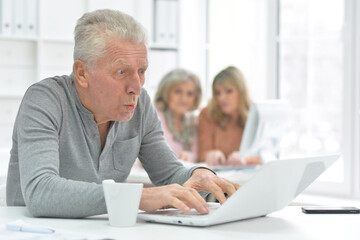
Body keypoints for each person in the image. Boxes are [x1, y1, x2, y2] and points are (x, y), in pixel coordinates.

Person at [6, 9, 239, 218]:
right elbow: (40, 192)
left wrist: (199, 174)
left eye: (141, 71)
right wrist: (137, 197)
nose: (136, 87)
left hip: (102, 231)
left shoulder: (140, 104)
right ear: (82, 73)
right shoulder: (44, 100)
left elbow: (169, 173)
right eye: (121, 72)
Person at [198, 66, 262, 166]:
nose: (221, 98)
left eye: (229, 91)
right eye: (218, 93)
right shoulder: (207, 114)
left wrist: (245, 160)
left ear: (241, 91)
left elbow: (266, 155)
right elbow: (202, 154)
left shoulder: (255, 114)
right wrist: (210, 155)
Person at [154, 69, 201, 163]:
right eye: (178, 91)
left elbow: (197, 156)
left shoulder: (194, 122)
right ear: (166, 92)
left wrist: (189, 156)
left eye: (190, 93)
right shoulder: (152, 117)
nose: (184, 99)